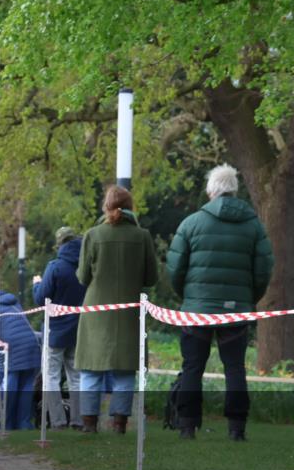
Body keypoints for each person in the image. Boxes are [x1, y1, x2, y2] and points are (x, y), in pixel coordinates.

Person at [166, 164, 274, 442]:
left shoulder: (191, 223)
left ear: (210, 191)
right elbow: (263, 270)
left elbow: (175, 269)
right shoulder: (254, 226)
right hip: (236, 310)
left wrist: (188, 296)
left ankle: (187, 425)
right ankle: (237, 428)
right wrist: (248, 299)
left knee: (193, 367)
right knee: (235, 368)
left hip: (197, 310)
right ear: (235, 191)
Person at [75, 186, 158, 434]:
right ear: (131, 207)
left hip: (96, 311)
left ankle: (89, 424)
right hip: (129, 312)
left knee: (91, 369)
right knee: (125, 371)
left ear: (106, 207)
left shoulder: (93, 235)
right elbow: (151, 277)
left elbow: (82, 277)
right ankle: (120, 424)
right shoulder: (142, 236)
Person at [33, 227, 87, 430]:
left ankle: (57, 421)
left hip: (54, 331)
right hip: (78, 330)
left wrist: (36, 285)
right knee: (76, 377)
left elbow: (41, 298)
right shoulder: (86, 267)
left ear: (60, 245)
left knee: (51, 376)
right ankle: (78, 420)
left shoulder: (55, 267)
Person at [0, 290, 40, 431]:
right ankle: (24, 423)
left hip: (11, 347)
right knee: (26, 385)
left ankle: (5, 423)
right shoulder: (15, 304)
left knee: (9, 385)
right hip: (31, 345)